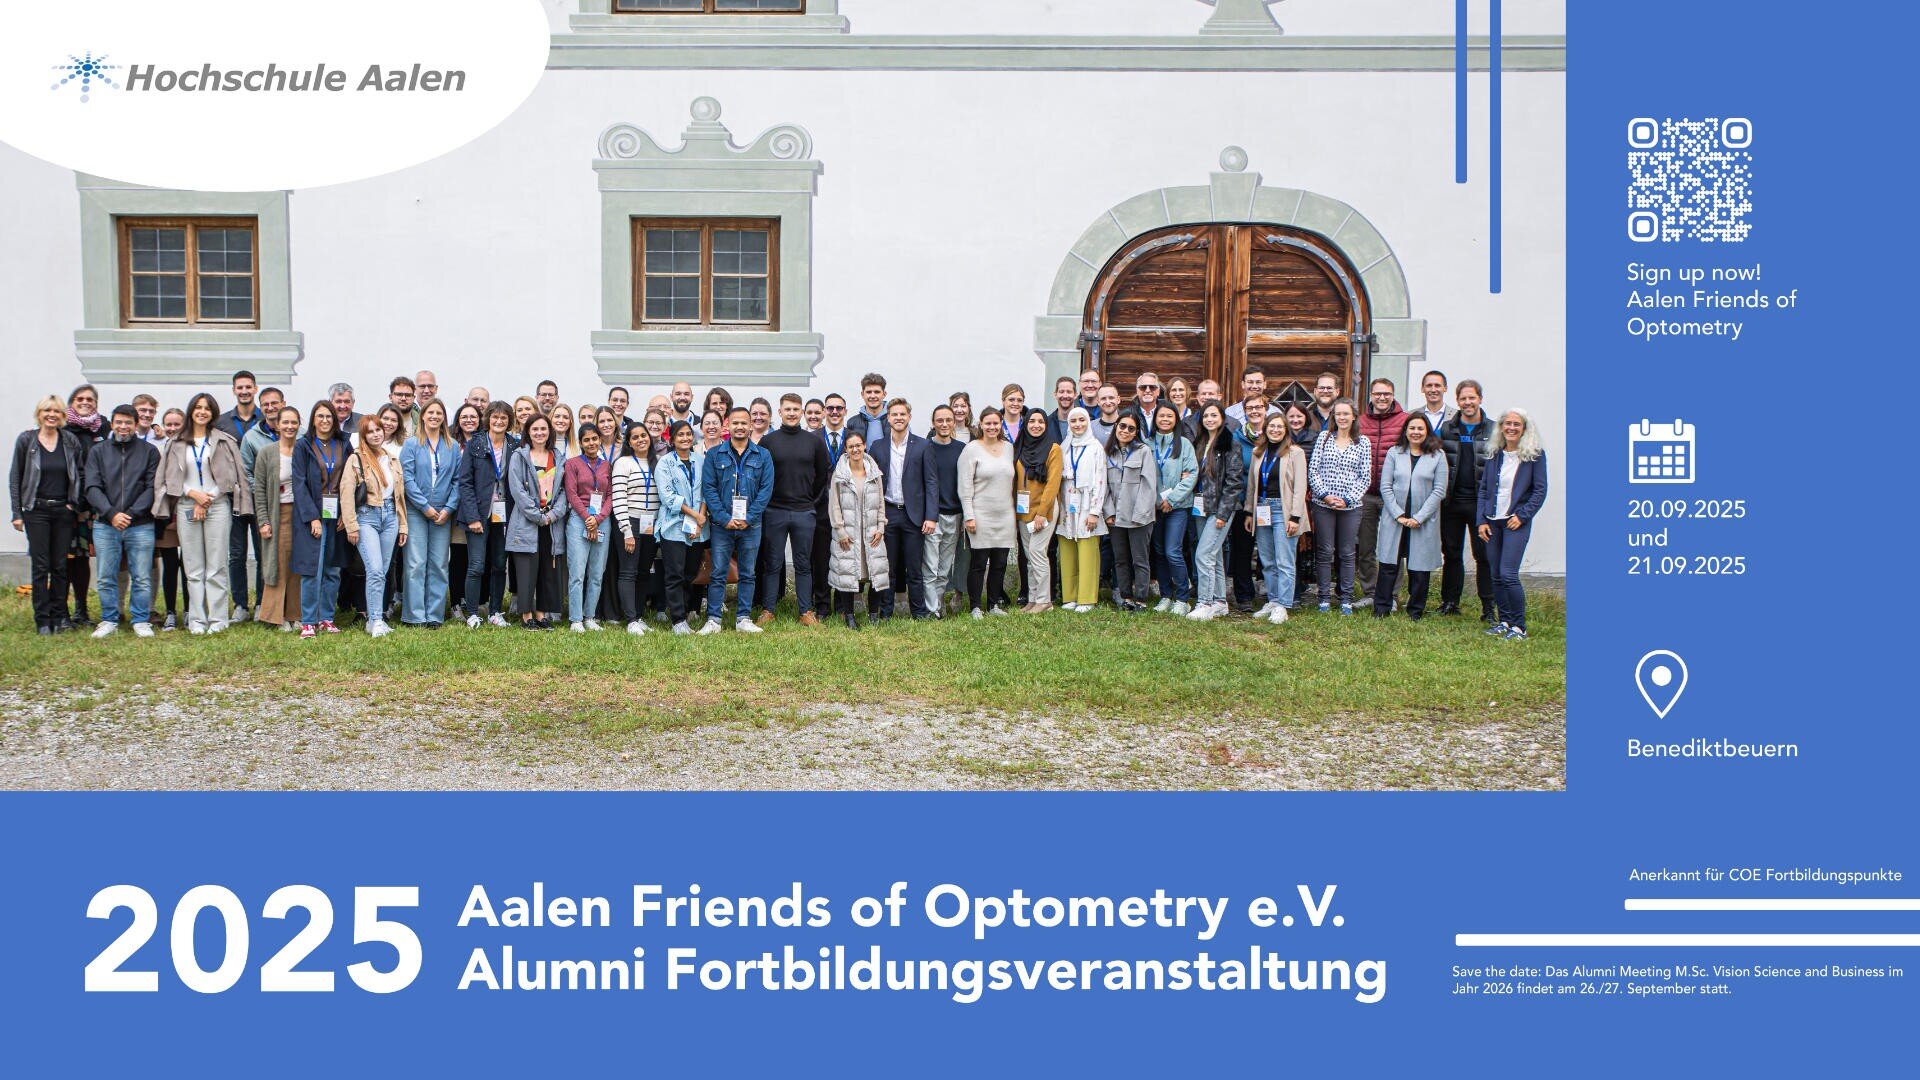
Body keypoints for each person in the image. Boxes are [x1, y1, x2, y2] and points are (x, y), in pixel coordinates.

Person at [155, 392, 251, 634]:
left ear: (213, 413)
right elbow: (167, 478)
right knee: (193, 567)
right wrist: (193, 494)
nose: (202, 412)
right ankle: (197, 620)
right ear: (191, 411)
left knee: (216, 566)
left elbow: (233, 476)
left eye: (207, 408)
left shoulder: (224, 440)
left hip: (217, 506)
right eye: (197, 407)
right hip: (187, 506)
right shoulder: (176, 441)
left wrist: (207, 498)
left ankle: (218, 620)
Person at [83, 404, 160, 637]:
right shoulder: (98, 451)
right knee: (106, 576)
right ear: (112, 424)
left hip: (140, 524)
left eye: (128, 422)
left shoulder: (149, 452)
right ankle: (109, 619)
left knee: (142, 575)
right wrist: (111, 513)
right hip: (106, 524)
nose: (123, 426)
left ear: (136, 425)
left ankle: (140, 619)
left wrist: (132, 514)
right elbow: (92, 486)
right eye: (119, 422)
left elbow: (152, 487)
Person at [756, 393, 832, 627]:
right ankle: (768, 609)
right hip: (775, 511)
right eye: (787, 409)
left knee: (803, 563)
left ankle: (805, 611)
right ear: (779, 412)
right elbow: (759, 476)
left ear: (801, 413)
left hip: (804, 511)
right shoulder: (768, 442)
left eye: (795, 409)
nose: (791, 413)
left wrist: (812, 501)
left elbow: (823, 475)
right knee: (773, 563)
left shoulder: (814, 442)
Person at [10, 396, 85, 633]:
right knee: (41, 566)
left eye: (56, 411)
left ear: (62, 415)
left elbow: (80, 474)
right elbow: (16, 478)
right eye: (47, 410)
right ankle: (43, 619)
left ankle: (60, 615)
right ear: (39, 413)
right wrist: (17, 513)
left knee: (60, 565)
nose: (51, 415)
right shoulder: (27, 440)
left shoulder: (69, 440)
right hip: (36, 511)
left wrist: (74, 504)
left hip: (63, 510)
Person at [698, 406, 773, 634]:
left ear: (751, 426)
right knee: (718, 572)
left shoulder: (763, 455)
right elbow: (709, 489)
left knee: (748, 573)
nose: (740, 427)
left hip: (752, 526)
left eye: (744, 423)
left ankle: (743, 618)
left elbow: (765, 490)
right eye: (735, 423)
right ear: (727, 427)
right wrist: (723, 517)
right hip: (722, 525)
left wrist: (749, 518)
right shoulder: (714, 455)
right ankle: (713, 620)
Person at [1478, 409, 1548, 641]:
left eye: (1516, 424)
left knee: (1508, 574)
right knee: (1496, 574)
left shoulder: (1534, 456)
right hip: (1492, 521)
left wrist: (1523, 515)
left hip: (1515, 522)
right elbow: (1484, 490)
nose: (1511, 428)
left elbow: (1539, 491)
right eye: (1507, 423)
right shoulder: (1495, 454)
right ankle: (1505, 621)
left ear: (1524, 428)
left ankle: (1519, 627)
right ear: (1501, 427)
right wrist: (1481, 521)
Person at [1373, 412, 1450, 620]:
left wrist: (1419, 517)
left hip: (1422, 521)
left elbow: (1439, 491)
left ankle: (1415, 610)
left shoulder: (1437, 456)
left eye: (1420, 429)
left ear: (1427, 432)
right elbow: (1385, 486)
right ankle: (1381, 607)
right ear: (1405, 431)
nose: (1416, 432)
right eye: (1412, 428)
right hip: (1395, 518)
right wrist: (1398, 514)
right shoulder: (1394, 453)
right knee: (1389, 565)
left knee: (1419, 568)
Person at [339, 415, 408, 637]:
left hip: (390, 516)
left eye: (378, 430)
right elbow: (346, 493)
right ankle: (375, 619)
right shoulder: (356, 459)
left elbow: (399, 496)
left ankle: (375, 619)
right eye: (370, 431)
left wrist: (403, 525)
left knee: (383, 571)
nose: (376, 434)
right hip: (366, 516)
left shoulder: (392, 459)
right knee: (375, 569)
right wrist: (351, 525)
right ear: (363, 435)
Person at [873, 398, 936, 620]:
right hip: (888, 513)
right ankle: (886, 612)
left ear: (909, 417)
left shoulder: (923, 445)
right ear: (888, 418)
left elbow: (931, 482)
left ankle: (918, 612)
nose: (898, 418)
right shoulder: (878, 446)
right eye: (894, 414)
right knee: (887, 568)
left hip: (914, 515)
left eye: (902, 414)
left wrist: (931, 516)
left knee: (914, 568)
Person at [1438, 379, 1496, 621]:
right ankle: (1450, 602)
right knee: (1451, 553)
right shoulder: (1448, 429)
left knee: (1483, 556)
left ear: (1480, 399)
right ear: (1458, 400)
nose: (1468, 402)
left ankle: (1488, 608)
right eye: (1463, 398)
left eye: (1472, 398)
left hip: (1480, 504)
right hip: (1452, 502)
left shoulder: (1494, 430)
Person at [401, 398, 460, 627]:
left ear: (444, 417)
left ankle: (434, 615)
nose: (434, 416)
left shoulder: (452, 445)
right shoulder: (412, 444)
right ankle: (414, 616)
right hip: (418, 511)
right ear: (422, 415)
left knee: (438, 563)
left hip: (443, 514)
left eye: (439, 413)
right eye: (430, 412)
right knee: (416, 563)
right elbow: (407, 478)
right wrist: (424, 507)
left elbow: (457, 480)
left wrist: (448, 508)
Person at [1245, 413, 1309, 626]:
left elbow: (1300, 487)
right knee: (1267, 559)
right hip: (1262, 508)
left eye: (1280, 427)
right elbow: (1252, 486)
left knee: (1284, 560)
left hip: (1284, 510)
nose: (1275, 430)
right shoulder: (1258, 452)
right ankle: (1272, 601)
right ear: (1265, 428)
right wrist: (1249, 512)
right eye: (1271, 426)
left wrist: (1295, 517)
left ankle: (1284, 605)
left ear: (1286, 430)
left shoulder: (1295, 453)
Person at [293, 401, 350, 637]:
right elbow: (299, 483)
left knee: (332, 569)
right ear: (313, 419)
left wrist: (347, 513)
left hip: (336, 513)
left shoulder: (344, 444)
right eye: (320, 416)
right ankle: (308, 620)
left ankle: (326, 617)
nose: (325, 420)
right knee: (312, 570)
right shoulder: (303, 445)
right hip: (313, 515)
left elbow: (350, 479)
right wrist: (312, 517)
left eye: (329, 416)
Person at [1309, 398, 1371, 615]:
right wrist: (1325, 495)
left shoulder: (1362, 442)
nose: (1342, 418)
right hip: (1323, 504)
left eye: (1346, 414)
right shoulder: (1324, 438)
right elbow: (1313, 470)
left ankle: (1345, 598)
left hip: (1350, 507)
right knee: (1325, 551)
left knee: (1346, 553)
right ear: (1333, 417)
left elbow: (1365, 477)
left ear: (1354, 416)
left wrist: (1348, 499)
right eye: (1338, 414)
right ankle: (1324, 597)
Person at [506, 414, 568, 631]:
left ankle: (541, 614)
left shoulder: (558, 457)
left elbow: (563, 492)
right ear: (528, 432)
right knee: (526, 572)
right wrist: (537, 516)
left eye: (543, 429)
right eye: (535, 429)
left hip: (551, 525)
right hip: (526, 523)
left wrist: (552, 516)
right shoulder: (519, 457)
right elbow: (517, 492)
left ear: (549, 432)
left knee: (546, 571)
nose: (540, 433)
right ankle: (526, 616)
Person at [458, 401, 516, 628]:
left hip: (504, 515)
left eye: (504, 418)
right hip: (479, 514)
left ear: (509, 421)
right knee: (476, 565)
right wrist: (472, 517)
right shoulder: (476, 444)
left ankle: (495, 612)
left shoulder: (515, 445)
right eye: (495, 417)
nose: (499, 421)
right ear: (488, 419)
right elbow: (465, 482)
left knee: (500, 565)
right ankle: (472, 612)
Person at [825, 430, 889, 629]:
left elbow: (880, 503)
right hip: (849, 534)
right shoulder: (840, 474)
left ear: (864, 446)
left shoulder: (874, 472)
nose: (855, 449)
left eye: (858, 445)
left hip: (871, 532)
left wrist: (881, 527)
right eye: (851, 446)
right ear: (846, 449)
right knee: (848, 574)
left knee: (875, 573)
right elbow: (834, 504)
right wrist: (840, 530)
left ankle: (873, 614)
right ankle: (850, 616)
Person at [215, 370, 265, 623]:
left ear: (255, 389)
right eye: (239, 387)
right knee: (236, 553)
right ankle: (240, 604)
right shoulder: (221, 422)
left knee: (261, 551)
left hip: (260, 497)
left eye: (248, 387)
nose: (244, 391)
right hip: (232, 497)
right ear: (233, 390)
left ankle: (260, 603)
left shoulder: (266, 419)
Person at [1186, 403, 1243, 621]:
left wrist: (1223, 514)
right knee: (1214, 555)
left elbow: (1234, 483)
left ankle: (1204, 603)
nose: (1209, 419)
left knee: (1203, 555)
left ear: (1222, 418)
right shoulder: (1201, 442)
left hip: (1220, 509)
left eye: (1214, 415)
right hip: (1201, 506)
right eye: (1206, 416)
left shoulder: (1230, 443)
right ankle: (1220, 602)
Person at [956, 407, 1016, 618]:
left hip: (1005, 515)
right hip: (980, 515)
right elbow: (964, 486)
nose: (992, 427)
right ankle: (975, 606)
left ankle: (993, 604)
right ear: (981, 424)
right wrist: (969, 515)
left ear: (1001, 425)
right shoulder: (972, 449)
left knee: (1000, 563)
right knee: (979, 564)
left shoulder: (1009, 448)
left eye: (996, 423)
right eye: (988, 423)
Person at [250, 404, 303, 632]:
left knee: (297, 565)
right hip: (276, 513)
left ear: (299, 425)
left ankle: (295, 614)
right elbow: (259, 489)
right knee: (277, 564)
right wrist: (263, 521)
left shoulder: (303, 450)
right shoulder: (267, 452)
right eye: (285, 422)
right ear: (277, 425)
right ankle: (276, 615)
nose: (289, 426)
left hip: (299, 515)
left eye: (293, 422)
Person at [1356, 378, 1408, 606]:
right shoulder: (1360, 422)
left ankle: (1391, 595)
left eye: (1387, 393)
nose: (1382, 398)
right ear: (1371, 395)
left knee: (1392, 546)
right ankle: (1369, 592)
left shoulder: (1405, 421)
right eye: (1377, 393)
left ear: (1393, 395)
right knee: (1365, 546)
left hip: (1393, 494)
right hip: (1365, 494)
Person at [1054, 406, 1110, 613]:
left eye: (1082, 420)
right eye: (1073, 421)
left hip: (1087, 504)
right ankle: (1070, 595)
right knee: (1067, 550)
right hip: (1067, 504)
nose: (1078, 425)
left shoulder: (1095, 447)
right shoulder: (1064, 446)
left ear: (1088, 423)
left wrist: (1095, 511)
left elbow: (1100, 480)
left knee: (1087, 551)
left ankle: (1086, 598)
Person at [1102, 411, 1158, 612]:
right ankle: (1126, 597)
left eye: (1131, 428)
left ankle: (1141, 599)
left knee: (1140, 559)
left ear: (1136, 432)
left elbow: (1149, 486)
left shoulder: (1143, 451)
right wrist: (1108, 512)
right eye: (1122, 426)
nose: (1125, 431)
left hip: (1138, 518)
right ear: (1116, 427)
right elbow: (1104, 486)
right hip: (1116, 518)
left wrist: (1140, 515)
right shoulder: (1108, 452)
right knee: (1121, 559)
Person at [655, 421, 707, 634]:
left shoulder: (701, 461)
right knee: (675, 574)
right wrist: (694, 514)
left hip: (699, 527)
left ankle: (685, 612)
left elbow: (706, 490)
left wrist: (701, 517)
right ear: (672, 439)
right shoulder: (664, 463)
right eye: (680, 435)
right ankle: (677, 620)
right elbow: (668, 497)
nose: (685, 438)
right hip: (674, 526)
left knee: (691, 573)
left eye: (688, 434)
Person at [62, 384, 106, 626]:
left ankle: (82, 610)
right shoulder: (62, 428)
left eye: (90, 399)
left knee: (82, 558)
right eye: (80, 398)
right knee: (64, 558)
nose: (85, 402)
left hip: (91, 506)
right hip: (68, 504)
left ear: (96, 403)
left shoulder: (103, 427)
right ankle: (62, 610)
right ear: (71, 402)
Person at [562, 423, 613, 632]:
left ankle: (590, 616)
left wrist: (599, 518)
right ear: (581, 443)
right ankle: (575, 618)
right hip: (578, 519)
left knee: (597, 571)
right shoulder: (572, 463)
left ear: (599, 440)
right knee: (577, 571)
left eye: (594, 438)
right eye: (586, 440)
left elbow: (610, 495)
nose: (591, 443)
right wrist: (587, 517)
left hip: (602, 520)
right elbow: (571, 493)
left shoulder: (607, 465)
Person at [1148, 402, 1197, 616]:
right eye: (1161, 416)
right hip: (1153, 508)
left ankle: (1183, 598)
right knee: (1158, 552)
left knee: (1173, 551)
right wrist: (1156, 501)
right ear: (1155, 419)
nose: (1165, 419)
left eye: (1170, 416)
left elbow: (1191, 474)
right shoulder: (1147, 444)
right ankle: (1166, 596)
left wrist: (1173, 500)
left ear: (1176, 419)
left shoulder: (1184, 444)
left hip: (1178, 507)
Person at [612, 421, 659, 634]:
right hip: (630, 521)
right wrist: (626, 531)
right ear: (629, 443)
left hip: (651, 524)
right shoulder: (623, 462)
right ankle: (630, 619)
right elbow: (619, 498)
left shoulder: (656, 462)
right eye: (635, 437)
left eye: (644, 435)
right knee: (628, 572)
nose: (641, 439)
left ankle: (639, 616)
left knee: (643, 572)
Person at [920, 404, 967, 618]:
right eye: (940, 420)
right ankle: (931, 609)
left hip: (954, 515)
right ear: (933, 422)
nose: (945, 424)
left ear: (953, 422)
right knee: (930, 565)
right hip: (933, 516)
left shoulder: (961, 449)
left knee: (944, 566)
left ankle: (937, 604)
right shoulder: (925, 448)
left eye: (948, 420)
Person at [1013, 407, 1061, 614]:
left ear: (1046, 425)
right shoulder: (1020, 447)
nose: (1036, 425)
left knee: (1037, 552)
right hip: (1024, 508)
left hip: (1045, 508)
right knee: (1028, 555)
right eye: (1032, 421)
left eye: (1041, 421)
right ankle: (1033, 599)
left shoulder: (1053, 449)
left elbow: (1053, 484)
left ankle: (1045, 600)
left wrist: (1042, 512)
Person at [813, 393, 852, 615]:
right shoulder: (814, 437)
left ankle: (842, 605)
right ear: (824, 411)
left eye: (839, 408)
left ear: (845, 411)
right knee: (821, 558)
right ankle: (822, 605)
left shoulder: (853, 437)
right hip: (820, 508)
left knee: (844, 557)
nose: (835, 412)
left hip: (847, 508)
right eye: (830, 408)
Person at [446, 402, 484, 618]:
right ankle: (456, 602)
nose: (469, 420)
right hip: (456, 509)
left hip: (480, 509)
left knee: (476, 558)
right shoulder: (451, 444)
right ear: (458, 420)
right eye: (464, 416)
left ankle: (475, 600)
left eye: (473, 416)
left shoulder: (484, 442)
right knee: (459, 556)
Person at [151, 407, 187, 630]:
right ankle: (171, 611)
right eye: (169, 424)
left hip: (187, 513)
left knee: (190, 566)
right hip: (166, 517)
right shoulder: (159, 448)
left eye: (177, 424)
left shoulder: (191, 448)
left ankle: (190, 610)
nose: (173, 428)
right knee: (170, 565)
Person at [854, 373, 890, 446]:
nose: (872, 396)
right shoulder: (852, 423)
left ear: (884, 394)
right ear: (862, 394)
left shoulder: (896, 420)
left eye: (877, 392)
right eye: (869, 392)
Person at [1049, 376, 1078, 441]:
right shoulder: (1047, 423)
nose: (1065, 396)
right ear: (1055, 394)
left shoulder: (1084, 422)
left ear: (1075, 395)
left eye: (1069, 392)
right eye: (1061, 392)